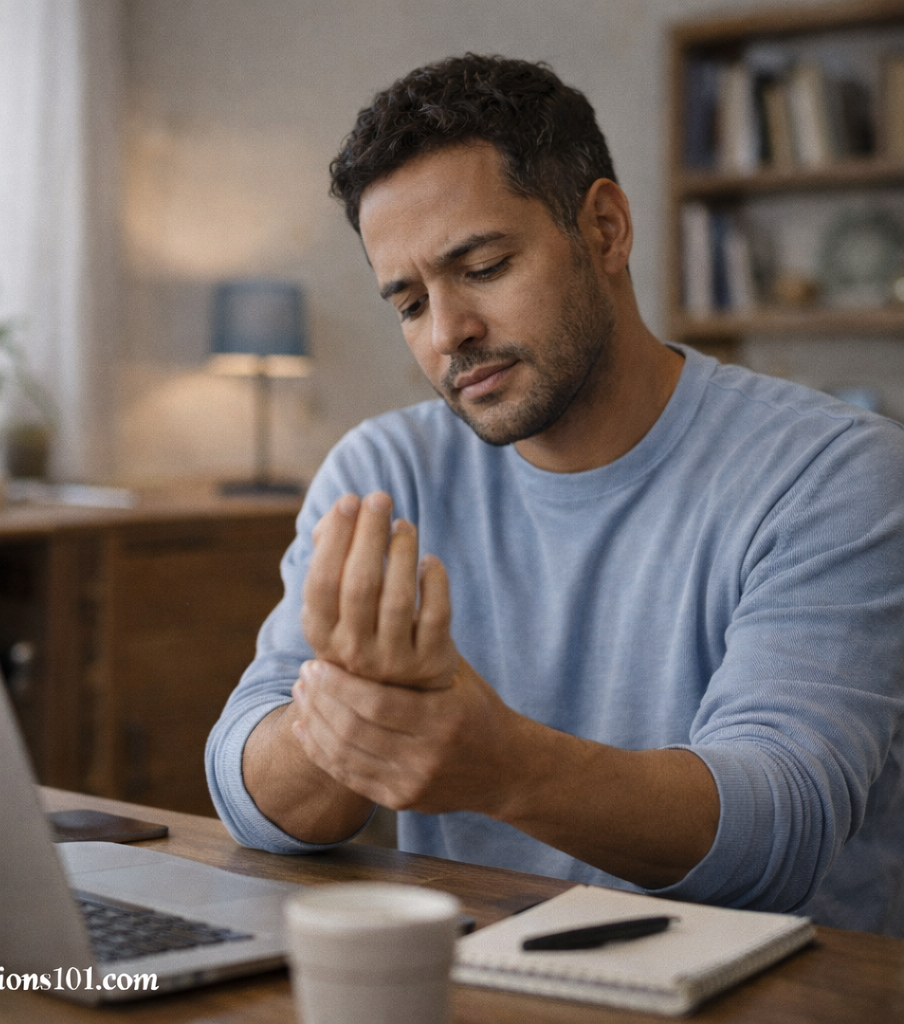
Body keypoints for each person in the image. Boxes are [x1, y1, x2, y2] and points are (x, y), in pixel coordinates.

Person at [206, 54, 904, 934]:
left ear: (606, 229)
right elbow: (246, 782)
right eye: (410, 302)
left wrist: (503, 767)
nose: (449, 331)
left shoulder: (835, 473)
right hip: (480, 986)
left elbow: (784, 829)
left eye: (485, 266)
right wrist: (351, 722)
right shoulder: (381, 476)